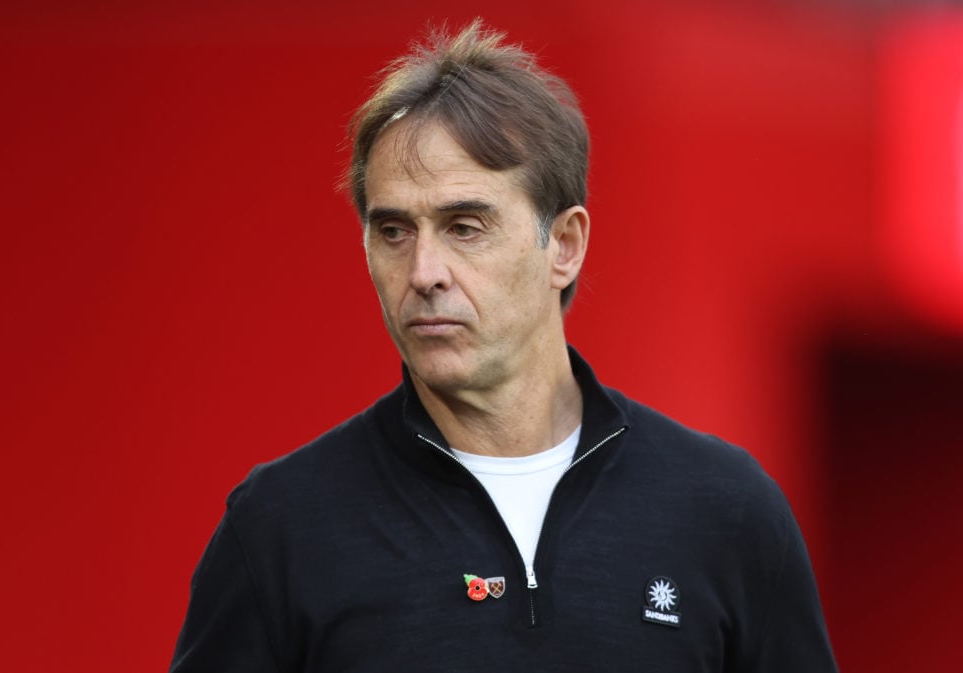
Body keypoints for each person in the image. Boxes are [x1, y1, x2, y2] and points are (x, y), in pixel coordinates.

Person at [170, 20, 837, 673]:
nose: (424, 271)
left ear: (565, 246)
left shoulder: (726, 511)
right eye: (395, 230)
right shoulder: (281, 527)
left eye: (465, 226)